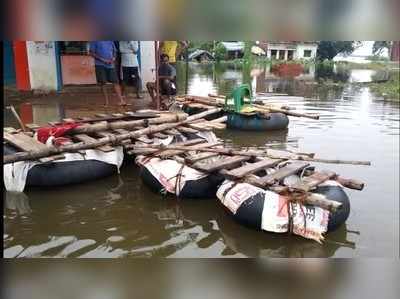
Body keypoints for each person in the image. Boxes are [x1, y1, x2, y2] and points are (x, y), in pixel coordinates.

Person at [89, 41, 127, 106]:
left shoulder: (110, 40)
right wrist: (102, 59)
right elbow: (91, 53)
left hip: (110, 65)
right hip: (100, 65)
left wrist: (113, 58)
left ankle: (121, 100)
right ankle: (106, 102)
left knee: (116, 82)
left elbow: (115, 51)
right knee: (103, 83)